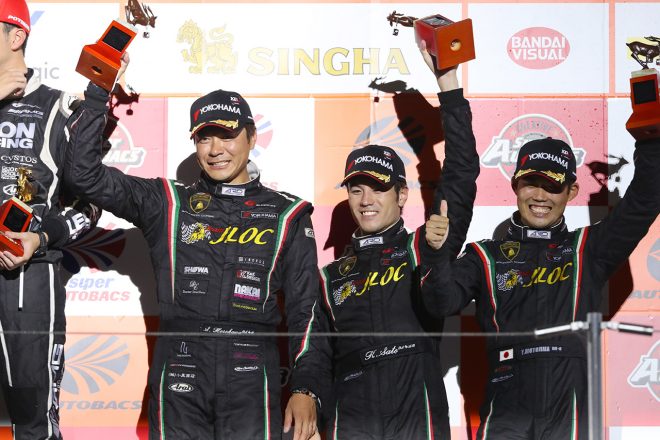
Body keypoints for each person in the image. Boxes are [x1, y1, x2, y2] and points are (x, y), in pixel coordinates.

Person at [64, 74, 330, 438]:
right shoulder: (168, 202)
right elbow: (83, 175)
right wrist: (99, 90)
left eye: (227, 135)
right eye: (204, 137)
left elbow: (306, 310)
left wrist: (306, 387)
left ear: (252, 137)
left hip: (253, 380)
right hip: (179, 374)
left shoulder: (288, 214)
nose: (216, 149)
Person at [424, 133, 659, 437]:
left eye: (552, 186)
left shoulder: (587, 248)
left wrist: (650, 137)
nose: (540, 196)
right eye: (531, 183)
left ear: (571, 192)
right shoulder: (485, 256)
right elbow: (439, 303)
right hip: (505, 403)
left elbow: (644, 200)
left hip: (567, 402)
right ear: (515, 186)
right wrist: (436, 254)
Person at [318, 45, 479, 438]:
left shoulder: (426, 246)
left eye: (378, 188)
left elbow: (461, 175)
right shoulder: (330, 276)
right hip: (350, 419)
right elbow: (317, 358)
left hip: (415, 413)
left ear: (402, 195)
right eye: (356, 190)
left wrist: (448, 84)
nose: (366, 200)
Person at [0, 1, 101, 438]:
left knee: (32, 419)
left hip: (25, 281)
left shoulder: (58, 107)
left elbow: (89, 205)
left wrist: (39, 240)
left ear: (17, 35)